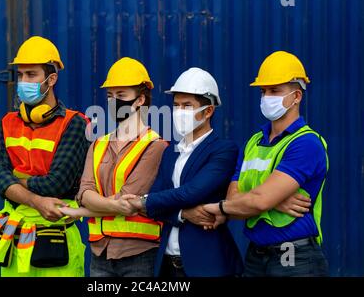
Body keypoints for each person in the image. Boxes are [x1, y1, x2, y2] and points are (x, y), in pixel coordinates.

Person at [204, 51, 329, 277]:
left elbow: (256, 201)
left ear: (297, 96)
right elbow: (235, 197)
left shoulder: (306, 143)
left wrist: (251, 202)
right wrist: (271, 200)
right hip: (256, 256)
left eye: (274, 91)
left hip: (295, 257)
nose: (266, 97)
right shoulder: (254, 141)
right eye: (263, 91)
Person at [125, 68, 243, 277]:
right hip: (167, 264)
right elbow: (155, 204)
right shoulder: (170, 151)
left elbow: (192, 192)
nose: (179, 112)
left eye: (187, 106)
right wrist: (183, 213)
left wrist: (143, 201)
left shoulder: (223, 150)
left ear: (208, 111)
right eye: (176, 105)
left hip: (206, 264)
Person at [0, 36, 89, 277]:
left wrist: (14, 182)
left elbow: (56, 183)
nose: (23, 81)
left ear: (51, 79)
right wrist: (36, 200)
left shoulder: (74, 123)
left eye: (31, 75)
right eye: (21, 75)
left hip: (56, 245)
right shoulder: (7, 123)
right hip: (15, 244)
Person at [61, 57, 168, 277]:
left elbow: (129, 200)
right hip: (100, 252)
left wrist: (80, 210)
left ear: (139, 100)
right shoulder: (98, 144)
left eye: (121, 96)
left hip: (138, 253)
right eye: (110, 96)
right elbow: (84, 192)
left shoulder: (154, 145)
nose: (113, 102)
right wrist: (104, 203)